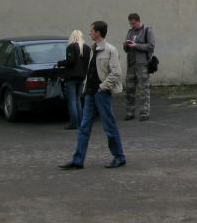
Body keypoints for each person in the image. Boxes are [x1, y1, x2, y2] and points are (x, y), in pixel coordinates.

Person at [60, 20, 126, 170]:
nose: (89, 33)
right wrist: (86, 88)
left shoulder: (110, 50)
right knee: (84, 127)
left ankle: (119, 156)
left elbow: (116, 73)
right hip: (90, 93)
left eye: (91, 31)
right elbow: (90, 71)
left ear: (98, 33)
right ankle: (78, 160)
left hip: (101, 93)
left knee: (109, 126)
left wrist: (102, 87)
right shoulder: (92, 48)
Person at [56, 29, 91, 130]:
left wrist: (60, 63)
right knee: (78, 100)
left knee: (71, 101)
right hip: (82, 77)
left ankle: (73, 124)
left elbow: (70, 61)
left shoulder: (71, 47)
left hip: (71, 77)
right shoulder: (87, 48)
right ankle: (80, 123)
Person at [124, 12, 155, 122]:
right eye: (130, 24)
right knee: (129, 89)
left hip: (142, 65)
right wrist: (126, 45)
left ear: (138, 21)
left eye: (133, 23)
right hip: (131, 64)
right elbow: (126, 49)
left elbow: (151, 46)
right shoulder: (130, 32)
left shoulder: (147, 31)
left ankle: (144, 113)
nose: (132, 25)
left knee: (143, 90)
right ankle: (130, 112)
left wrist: (136, 45)